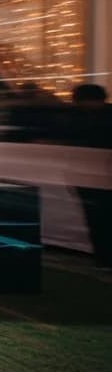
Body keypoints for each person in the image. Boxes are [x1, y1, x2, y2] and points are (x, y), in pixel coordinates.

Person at [68, 83, 112, 267]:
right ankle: (103, 257)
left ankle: (104, 257)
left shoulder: (77, 118)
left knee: (98, 218)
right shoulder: (77, 117)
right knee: (95, 218)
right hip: (89, 178)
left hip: (94, 176)